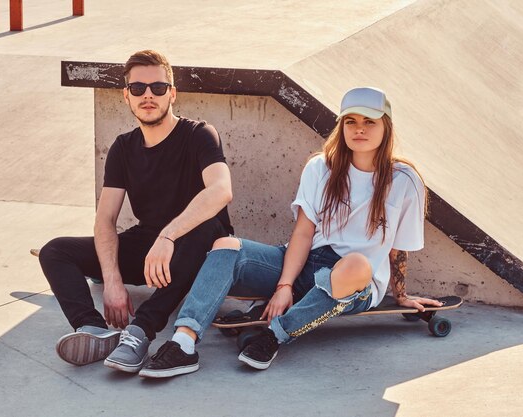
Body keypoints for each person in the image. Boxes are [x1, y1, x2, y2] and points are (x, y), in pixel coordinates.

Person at [138, 86, 442, 378]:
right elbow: (303, 233)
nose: (359, 129)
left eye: (369, 122)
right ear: (342, 125)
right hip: (303, 264)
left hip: (354, 282)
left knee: (357, 264)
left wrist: (400, 295)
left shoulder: (405, 180)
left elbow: (396, 248)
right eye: (351, 121)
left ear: (385, 127)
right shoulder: (321, 167)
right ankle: (183, 343)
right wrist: (284, 284)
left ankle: (274, 335)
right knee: (225, 245)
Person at [38, 50, 233, 373]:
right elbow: (105, 220)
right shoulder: (123, 147)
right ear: (126, 95)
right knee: (56, 250)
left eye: (158, 88)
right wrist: (113, 281)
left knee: (207, 226)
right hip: (150, 252)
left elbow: (221, 190)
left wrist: (168, 235)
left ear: (172, 93)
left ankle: (140, 331)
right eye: (138, 88)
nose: (148, 95)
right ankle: (95, 329)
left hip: (197, 252)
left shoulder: (199, 134)